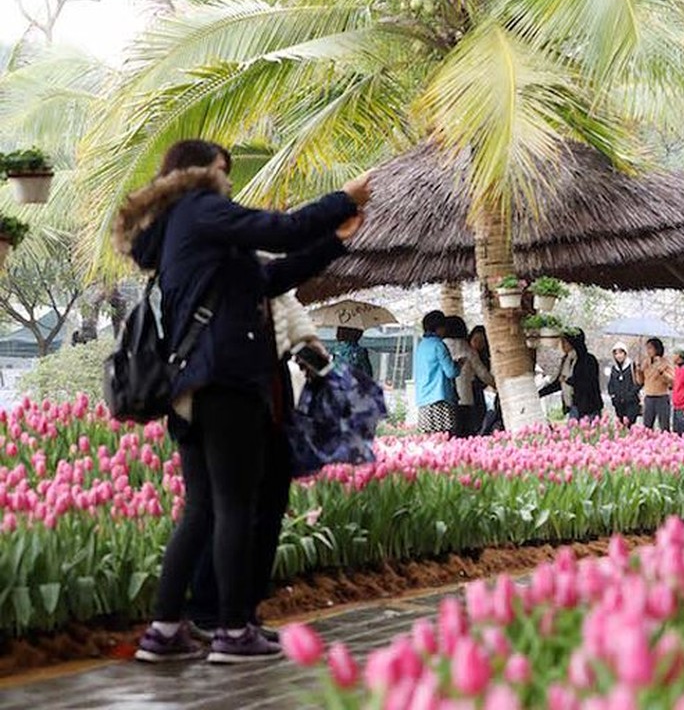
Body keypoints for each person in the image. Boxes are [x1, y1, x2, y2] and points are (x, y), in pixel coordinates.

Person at [114, 139, 368, 664]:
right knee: (234, 506)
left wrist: (335, 243)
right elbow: (283, 229)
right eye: (221, 170)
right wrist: (342, 199)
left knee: (204, 507)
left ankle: (164, 630)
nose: (227, 180)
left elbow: (270, 278)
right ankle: (232, 631)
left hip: (194, 384)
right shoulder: (202, 211)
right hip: (226, 380)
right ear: (197, 173)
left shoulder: (185, 231)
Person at [186, 290, 322, 643]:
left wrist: (306, 340)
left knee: (269, 503)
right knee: (229, 507)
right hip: (229, 386)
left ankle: (244, 613)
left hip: (269, 388)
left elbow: (283, 295)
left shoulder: (261, 258)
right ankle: (209, 610)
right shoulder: (215, 252)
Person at [443, 316, 494, 438]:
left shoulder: (440, 346)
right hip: (464, 398)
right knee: (465, 435)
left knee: (447, 436)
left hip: (443, 397)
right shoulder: (467, 349)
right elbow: (483, 374)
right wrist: (497, 385)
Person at [539, 329, 602, 420]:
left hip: (588, 408)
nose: (562, 345)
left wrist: (568, 380)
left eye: (565, 342)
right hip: (572, 407)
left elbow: (587, 383)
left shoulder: (588, 360)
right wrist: (540, 393)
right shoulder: (566, 360)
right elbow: (558, 383)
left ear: (573, 342)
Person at [414, 310, 460, 434]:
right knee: (444, 439)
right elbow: (451, 372)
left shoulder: (421, 345)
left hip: (424, 400)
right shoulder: (439, 345)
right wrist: (458, 365)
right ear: (439, 328)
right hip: (440, 398)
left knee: (431, 442)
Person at [636, 337, 674, 431]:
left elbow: (671, 381)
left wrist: (661, 372)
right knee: (647, 426)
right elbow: (640, 381)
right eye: (647, 348)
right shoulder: (645, 362)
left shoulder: (665, 362)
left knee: (664, 425)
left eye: (650, 348)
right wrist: (638, 371)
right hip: (649, 397)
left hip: (662, 397)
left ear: (657, 349)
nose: (648, 351)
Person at [469, 325, 500, 434]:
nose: (478, 344)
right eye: (475, 340)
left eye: (482, 341)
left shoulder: (484, 357)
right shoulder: (468, 353)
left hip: (478, 391)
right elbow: (484, 375)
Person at [607, 342, 641, 426]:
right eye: (616, 353)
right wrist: (613, 395)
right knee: (620, 425)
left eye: (620, 353)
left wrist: (630, 394)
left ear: (625, 354)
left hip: (631, 403)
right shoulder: (614, 368)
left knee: (629, 424)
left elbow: (639, 383)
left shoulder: (632, 366)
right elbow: (611, 384)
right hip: (618, 403)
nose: (618, 356)